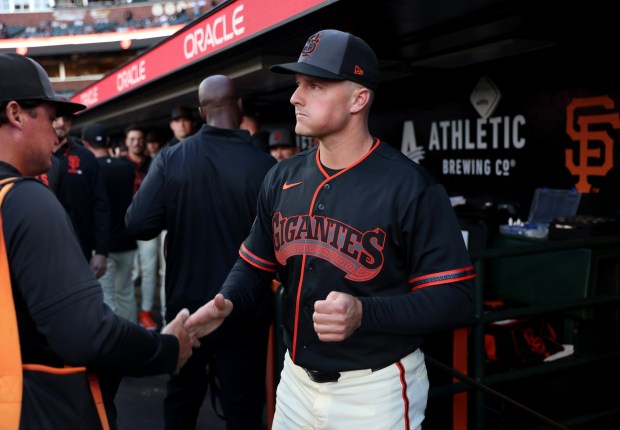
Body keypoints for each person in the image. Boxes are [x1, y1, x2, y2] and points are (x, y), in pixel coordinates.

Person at [184, 29, 476, 430]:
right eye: (298, 84)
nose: (295, 97)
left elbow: (457, 298)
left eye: (315, 85)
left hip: (375, 389)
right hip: (295, 382)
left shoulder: (411, 186)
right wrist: (227, 301)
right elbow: (255, 261)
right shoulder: (280, 176)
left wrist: (364, 312)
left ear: (359, 98)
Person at [0, 52, 194, 429]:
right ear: (15, 114)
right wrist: (167, 348)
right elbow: (87, 334)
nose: (58, 130)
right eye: (50, 116)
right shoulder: (25, 199)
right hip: (35, 408)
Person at [125, 74, 277, 430]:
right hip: (243, 312)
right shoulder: (266, 168)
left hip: (187, 310)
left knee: (181, 401)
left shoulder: (171, 159)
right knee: (243, 411)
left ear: (200, 111)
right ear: (239, 107)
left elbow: (137, 223)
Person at [82, 123, 138, 324]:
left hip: (102, 246)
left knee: (107, 296)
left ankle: (118, 347)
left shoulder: (89, 170)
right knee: (126, 292)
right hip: (127, 241)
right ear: (107, 142)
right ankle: (135, 339)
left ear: (85, 144)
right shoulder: (126, 168)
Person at [53, 98, 110, 278]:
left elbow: (100, 204)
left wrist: (102, 250)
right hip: (42, 247)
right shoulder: (31, 154)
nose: (62, 123)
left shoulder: (85, 157)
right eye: (57, 117)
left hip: (80, 248)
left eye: (67, 118)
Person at [122, 123, 159, 329]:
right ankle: (126, 314)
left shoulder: (154, 163)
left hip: (147, 224)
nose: (136, 143)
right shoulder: (119, 163)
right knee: (126, 271)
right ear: (126, 142)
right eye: (132, 139)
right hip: (124, 225)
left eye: (139, 139)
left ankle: (145, 311)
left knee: (149, 269)